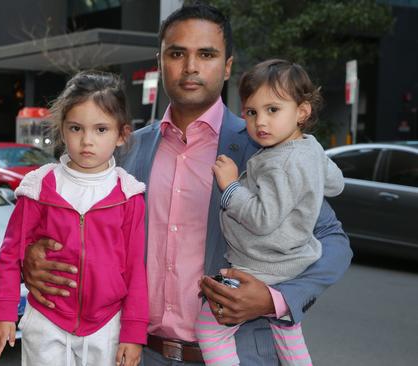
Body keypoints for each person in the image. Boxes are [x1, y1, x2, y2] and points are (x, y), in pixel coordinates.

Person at [22, 3, 352, 365]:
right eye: (177, 53)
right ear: (160, 62)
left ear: (227, 66)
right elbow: (75, 223)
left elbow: (333, 241)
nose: (191, 67)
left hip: (236, 353)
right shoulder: (126, 151)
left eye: (206, 54)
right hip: (135, 353)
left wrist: (276, 300)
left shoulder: (267, 149)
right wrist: (33, 257)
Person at [0, 70, 149, 366]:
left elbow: (136, 269)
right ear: (62, 130)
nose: (87, 140)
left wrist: (133, 333)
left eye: (101, 130)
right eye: (76, 128)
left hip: (107, 324)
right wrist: (3, 311)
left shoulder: (129, 195)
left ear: (122, 134)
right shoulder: (39, 187)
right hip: (47, 319)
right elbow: (9, 254)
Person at [196, 59, 344, 366]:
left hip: (260, 266)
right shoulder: (311, 149)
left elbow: (262, 218)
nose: (260, 121)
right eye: (252, 112)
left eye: (273, 110)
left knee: (209, 330)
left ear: (302, 111)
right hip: (290, 261)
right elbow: (336, 184)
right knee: (287, 333)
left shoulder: (283, 162)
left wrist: (230, 185)